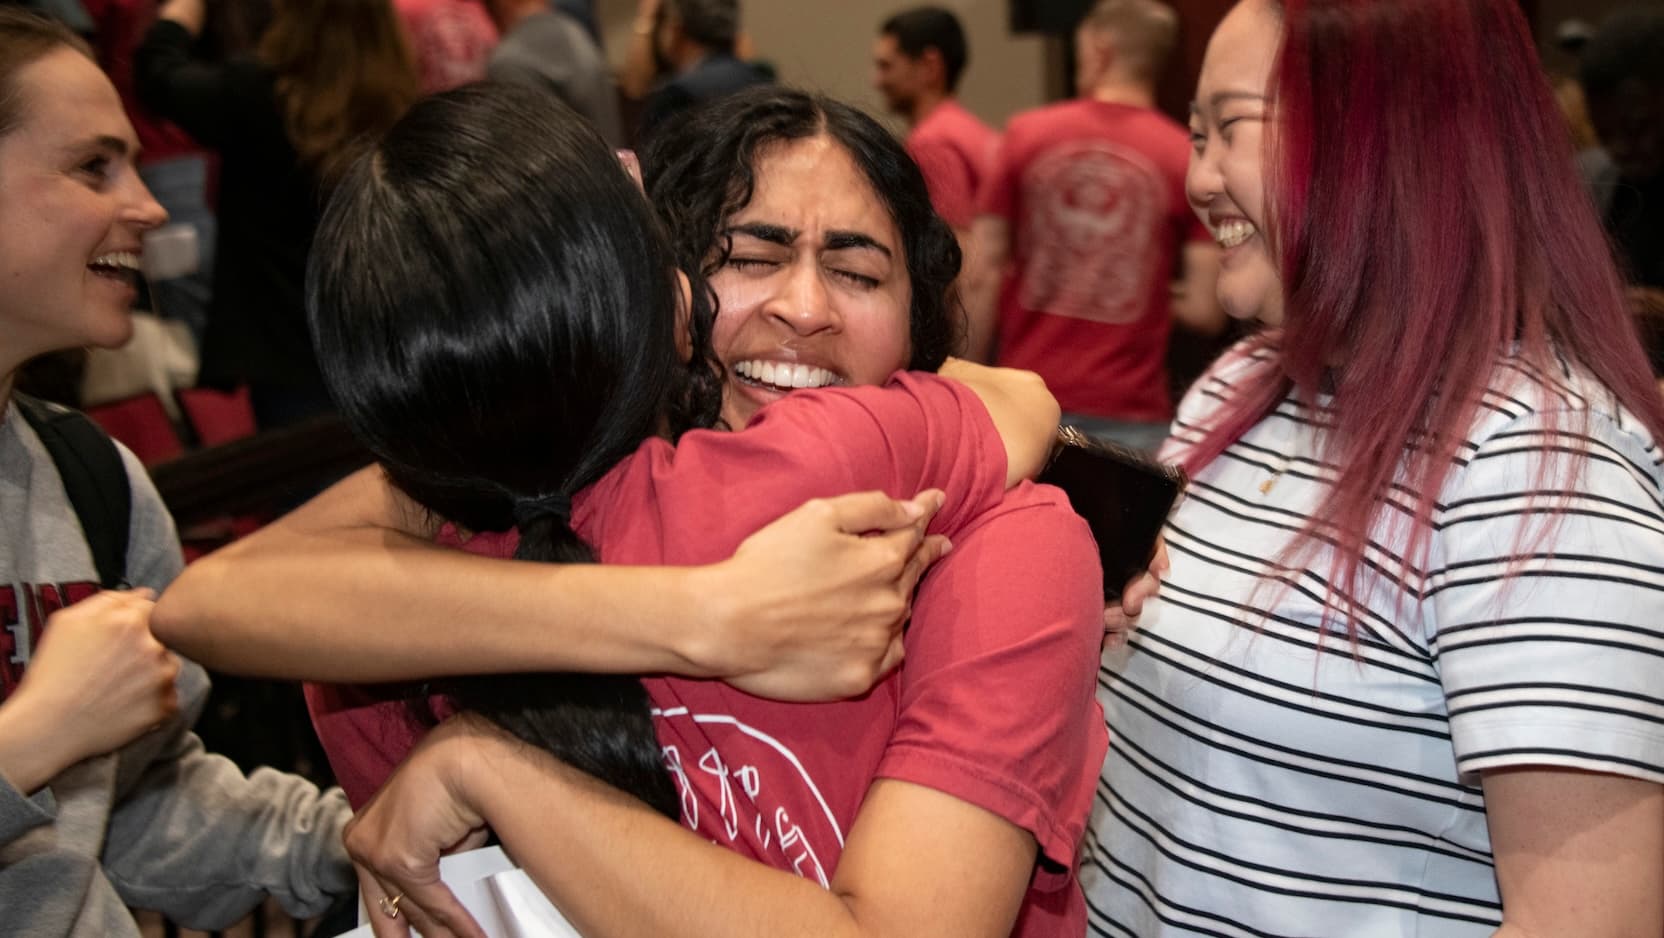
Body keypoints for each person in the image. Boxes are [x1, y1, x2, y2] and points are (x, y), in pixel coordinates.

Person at [306, 80, 1100, 938]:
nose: (804, 309)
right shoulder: (510, 518)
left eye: (857, 270)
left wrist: (488, 767)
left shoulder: (1007, 548)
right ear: (663, 291)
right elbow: (233, 603)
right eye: (752, 259)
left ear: (919, 324)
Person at [1084, 0, 1664, 935]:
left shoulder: (1536, 472)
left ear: (1384, 139)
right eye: (1193, 135)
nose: (1196, 179)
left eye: (1230, 128)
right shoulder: (1241, 385)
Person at [0, 11, 354, 935]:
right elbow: (56, 752)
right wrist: (32, 739)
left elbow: (135, 807)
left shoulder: (93, 480)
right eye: (93, 167)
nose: (149, 205)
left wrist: (359, 839)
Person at [134, 0, 420, 428]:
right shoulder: (400, 105)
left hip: (284, 355)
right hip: (379, 345)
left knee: (304, 484)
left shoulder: (257, 92)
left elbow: (156, 75)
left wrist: (184, 8)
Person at [963, 0, 1222, 454]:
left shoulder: (1025, 133)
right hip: (1132, 413)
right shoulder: (1184, 157)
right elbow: (1205, 309)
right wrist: (1139, 283)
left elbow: (981, 271)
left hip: (1022, 400)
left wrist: (964, 376)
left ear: (1099, 51)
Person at [872, 6, 998, 244]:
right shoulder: (974, 131)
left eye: (886, 66)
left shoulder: (932, 144)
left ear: (930, 66)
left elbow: (954, 249)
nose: (877, 81)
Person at [481, 0, 622, 146]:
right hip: (611, 160)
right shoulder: (574, 28)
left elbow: (535, 151)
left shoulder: (509, 61)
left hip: (579, 165)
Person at [633, 0, 770, 144]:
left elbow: (653, 160)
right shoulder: (761, 79)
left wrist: (645, 21)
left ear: (675, 31)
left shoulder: (678, 96)